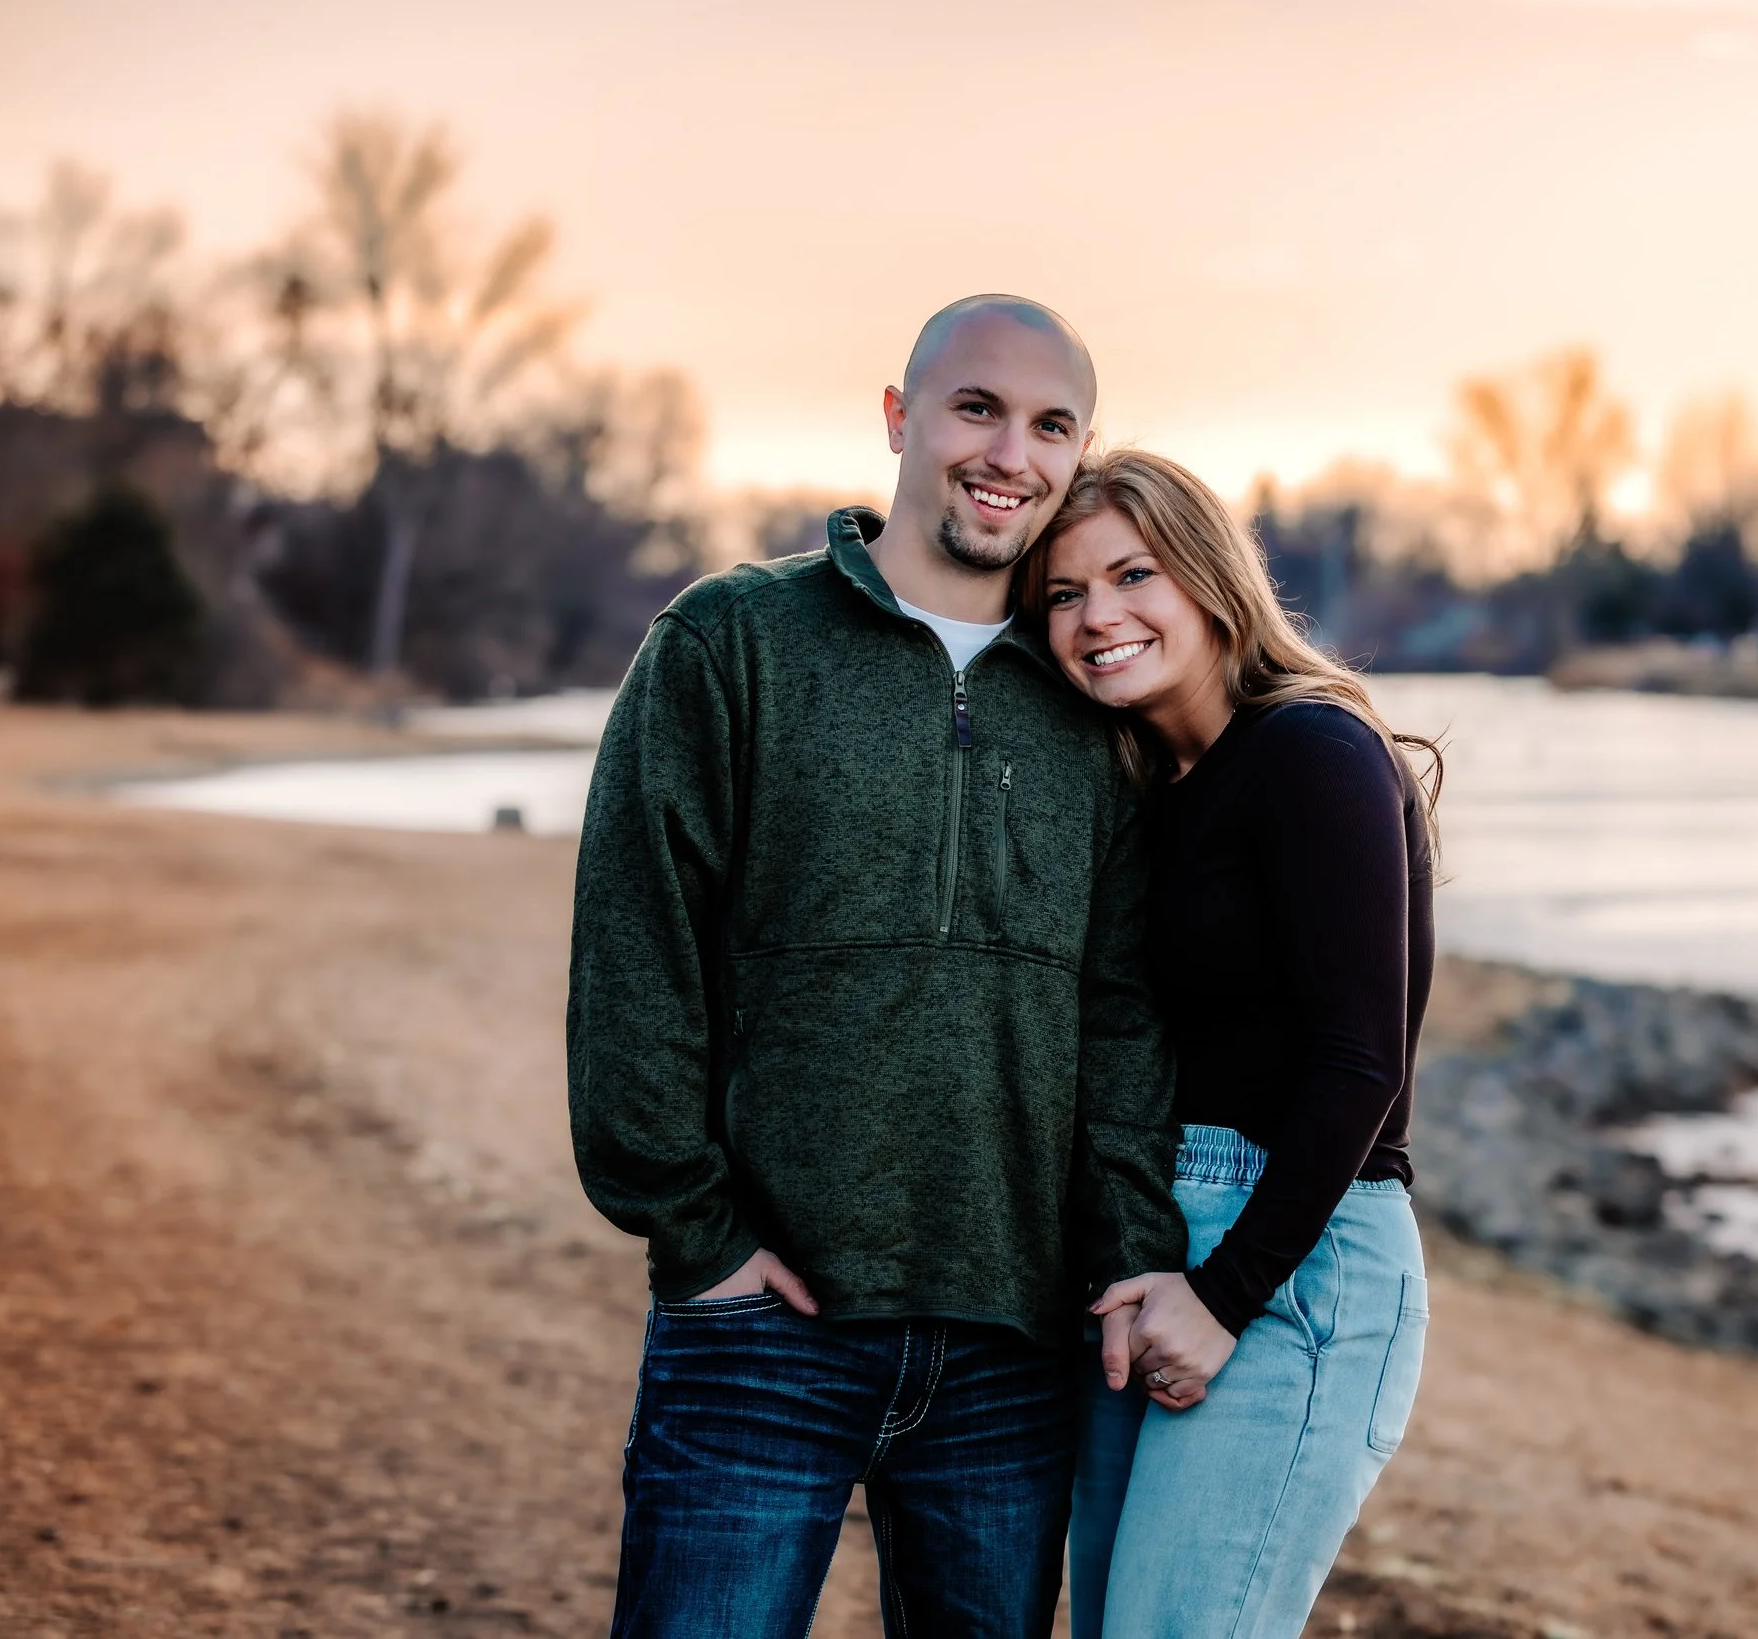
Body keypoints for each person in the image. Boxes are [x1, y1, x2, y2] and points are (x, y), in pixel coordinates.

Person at [566, 296, 1189, 1638]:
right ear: (901, 418)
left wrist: (1129, 1252)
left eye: (1050, 424)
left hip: (1013, 1346)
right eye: (977, 407)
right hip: (762, 1324)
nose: (1008, 450)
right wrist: (694, 1226)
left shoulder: (1097, 699)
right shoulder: (731, 642)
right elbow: (636, 942)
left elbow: (1125, 1013)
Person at [1025, 450, 1440, 1638]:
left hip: (1293, 1261)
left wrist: (1225, 1292)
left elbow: (1361, 1062)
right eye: (1063, 594)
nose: (1098, 615)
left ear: (1209, 577)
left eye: (1131, 573)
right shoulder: (1157, 788)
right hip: (1165, 1252)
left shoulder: (1312, 749)